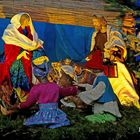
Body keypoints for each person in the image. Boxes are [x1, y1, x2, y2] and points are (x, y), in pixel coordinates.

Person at [0, 63, 78, 128]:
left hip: (42, 115)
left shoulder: (36, 88)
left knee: (30, 117)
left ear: (36, 75)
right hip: (55, 114)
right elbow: (66, 91)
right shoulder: (55, 86)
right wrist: (75, 89)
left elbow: (27, 104)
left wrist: (17, 106)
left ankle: (9, 111)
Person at [0, 12, 48, 92]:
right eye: (27, 20)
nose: (28, 22)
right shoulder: (11, 32)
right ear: (22, 21)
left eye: (28, 20)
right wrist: (21, 53)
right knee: (19, 79)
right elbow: (9, 51)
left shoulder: (26, 30)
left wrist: (36, 45)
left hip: (26, 60)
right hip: (16, 62)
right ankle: (19, 94)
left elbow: (31, 42)